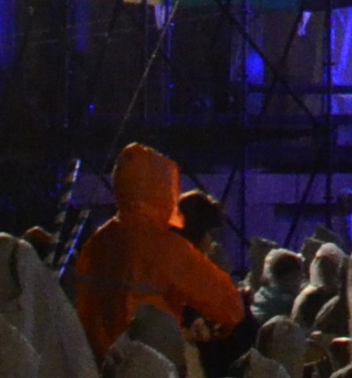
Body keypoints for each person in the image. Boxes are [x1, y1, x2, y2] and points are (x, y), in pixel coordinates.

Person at [66, 148, 244, 361]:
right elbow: (230, 306)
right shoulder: (166, 247)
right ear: (162, 188)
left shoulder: (97, 241)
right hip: (148, 366)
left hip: (93, 363)